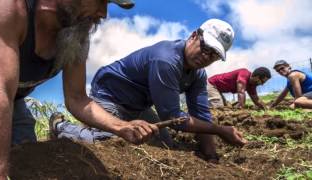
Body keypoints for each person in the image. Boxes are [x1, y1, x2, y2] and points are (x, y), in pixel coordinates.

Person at [0, 0, 160, 178]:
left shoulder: (76, 34)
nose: (103, 13)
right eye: (99, 2)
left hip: (13, 102)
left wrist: (121, 127)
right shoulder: (10, 9)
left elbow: (77, 98)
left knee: (28, 159)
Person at [50, 18, 247, 162]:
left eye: (213, 55)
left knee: (163, 146)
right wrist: (221, 130)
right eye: (205, 48)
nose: (206, 57)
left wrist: (211, 157)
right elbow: (173, 117)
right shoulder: (166, 60)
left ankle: (98, 126)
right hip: (111, 95)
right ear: (194, 35)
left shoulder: (198, 75)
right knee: (116, 142)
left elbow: (201, 115)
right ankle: (61, 128)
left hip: (138, 106)